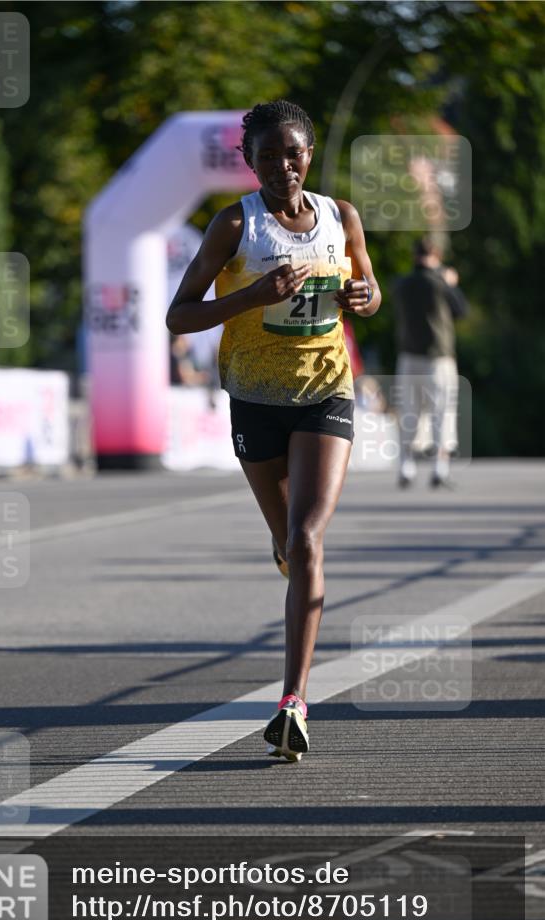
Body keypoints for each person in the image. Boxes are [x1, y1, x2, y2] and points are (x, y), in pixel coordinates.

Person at [167, 100, 380, 761]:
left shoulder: (341, 216)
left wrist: (365, 298)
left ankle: (292, 701)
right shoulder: (235, 224)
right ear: (249, 162)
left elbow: (367, 287)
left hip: (325, 389)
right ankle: (288, 553)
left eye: (292, 153)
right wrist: (251, 298)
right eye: (266, 156)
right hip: (255, 397)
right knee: (288, 541)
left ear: (308, 154)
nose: (281, 166)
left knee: (307, 538)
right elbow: (179, 316)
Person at [393, 236, 467, 488]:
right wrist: (451, 283)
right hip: (438, 357)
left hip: (408, 355)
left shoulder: (402, 283)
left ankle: (406, 467)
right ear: (435, 255)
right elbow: (461, 310)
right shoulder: (440, 282)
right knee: (441, 412)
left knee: (409, 412)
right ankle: (439, 468)